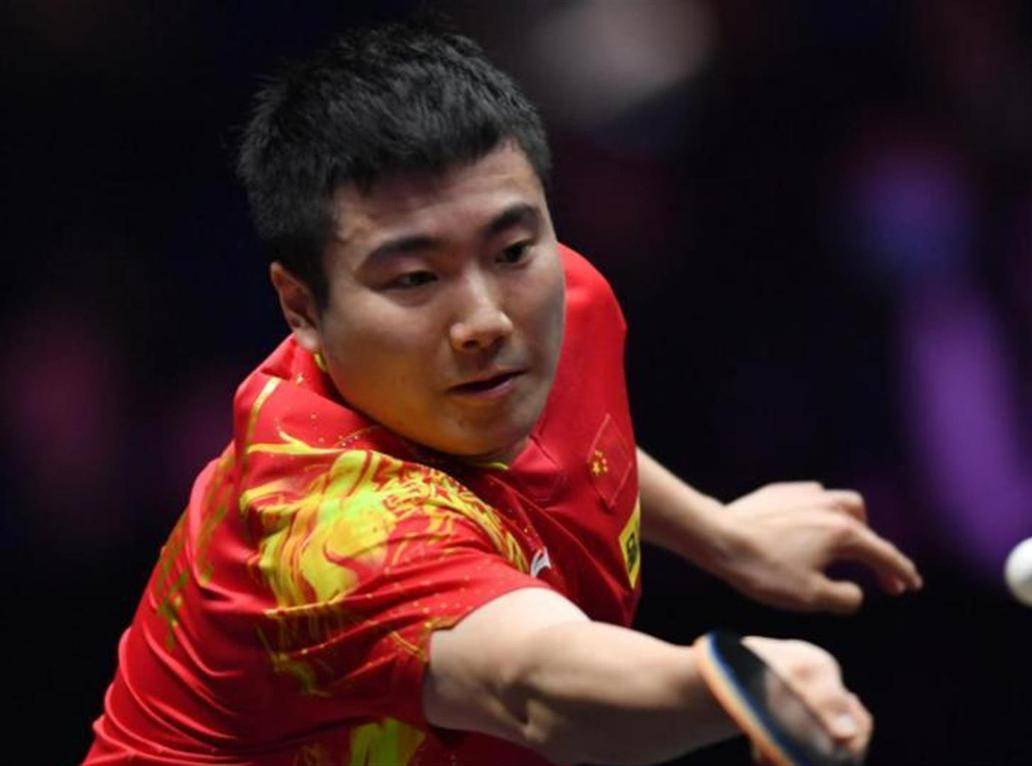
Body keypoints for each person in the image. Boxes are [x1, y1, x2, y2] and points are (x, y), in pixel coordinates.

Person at [84, 20, 922, 766]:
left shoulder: (556, 308)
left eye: (512, 249)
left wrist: (719, 532)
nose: (485, 318)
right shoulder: (327, 527)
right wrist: (722, 682)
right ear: (302, 307)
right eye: (415, 278)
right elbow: (534, 685)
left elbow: (576, 440)